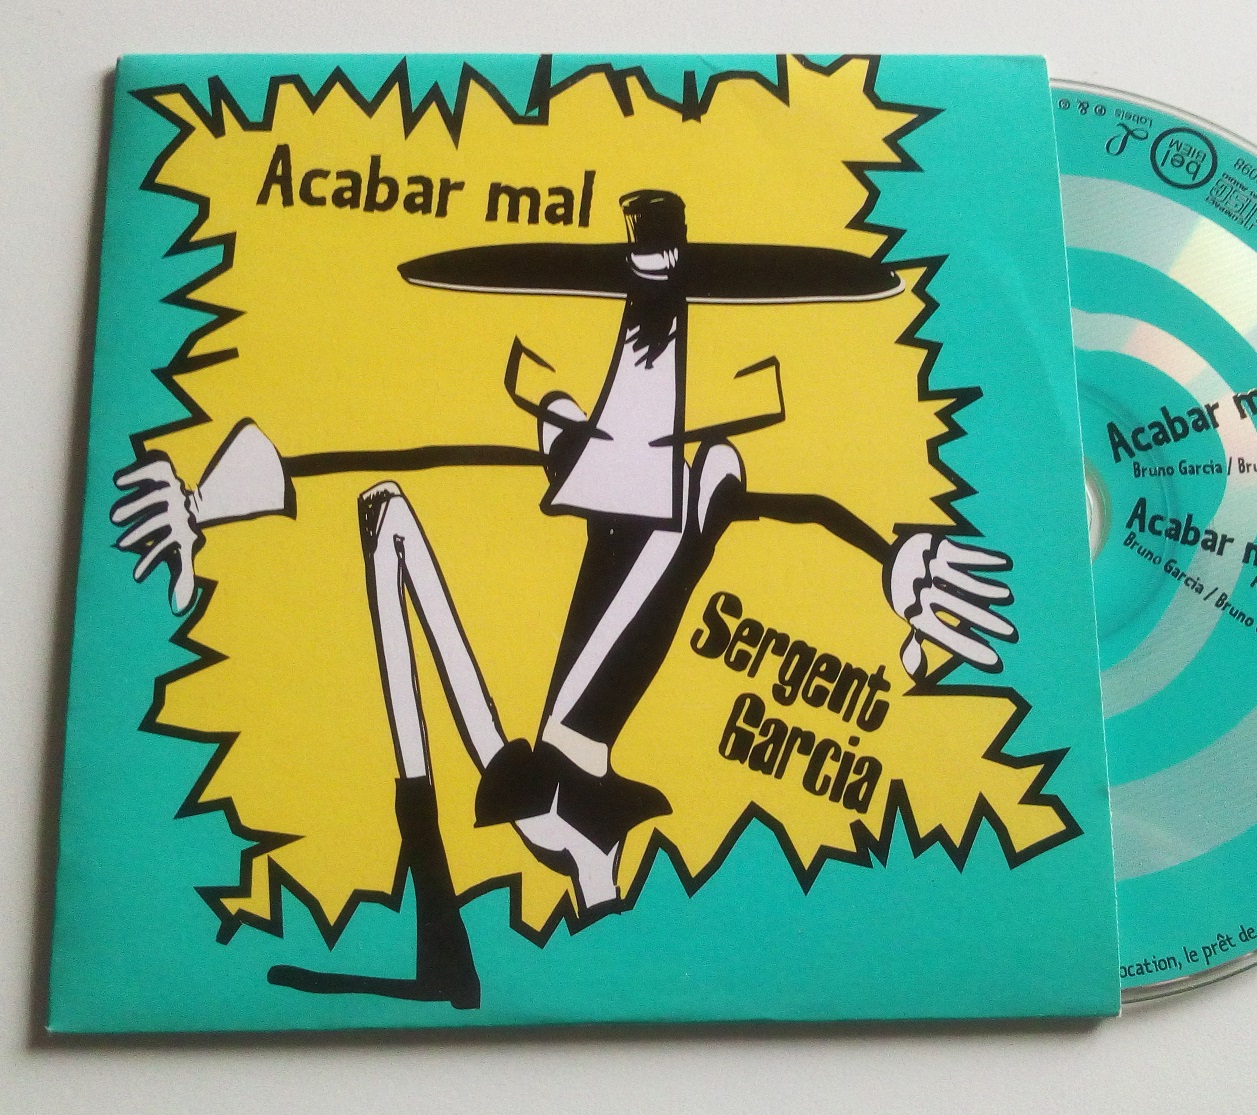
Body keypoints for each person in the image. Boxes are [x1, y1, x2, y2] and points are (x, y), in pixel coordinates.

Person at [110, 190, 1017, 1009]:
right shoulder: (651, 512)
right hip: (569, 742)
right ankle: (442, 937)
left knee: (633, 490)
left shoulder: (665, 503)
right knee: (439, 513)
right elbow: (425, 462)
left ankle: (444, 938)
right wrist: (207, 501)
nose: (559, 429)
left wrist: (889, 554)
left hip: (572, 738)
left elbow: (438, 466)